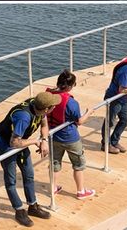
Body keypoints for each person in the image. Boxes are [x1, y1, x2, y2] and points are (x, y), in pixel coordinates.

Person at [0, 91, 60, 227]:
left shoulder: (38, 107)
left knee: (29, 175)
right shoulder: (24, 117)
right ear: (46, 108)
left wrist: (44, 140)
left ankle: (32, 206)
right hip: (6, 146)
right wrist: (35, 142)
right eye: (53, 106)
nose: (55, 107)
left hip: (22, 144)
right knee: (11, 181)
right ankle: (19, 210)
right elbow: (14, 142)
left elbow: (44, 124)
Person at [46, 70, 95, 200]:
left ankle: (53, 188)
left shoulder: (48, 96)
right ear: (71, 86)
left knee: (55, 163)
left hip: (53, 136)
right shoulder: (71, 102)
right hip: (70, 138)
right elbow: (79, 121)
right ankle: (81, 191)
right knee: (78, 164)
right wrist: (89, 112)